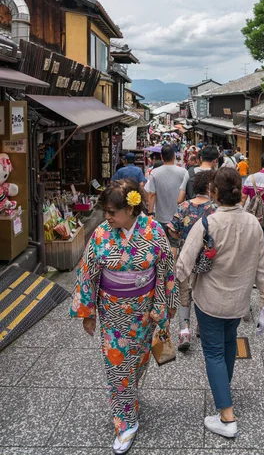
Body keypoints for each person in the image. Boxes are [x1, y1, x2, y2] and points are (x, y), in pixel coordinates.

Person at [70, 179, 178, 454]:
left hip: (145, 312)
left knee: (140, 359)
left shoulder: (154, 231)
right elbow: (88, 272)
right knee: (117, 366)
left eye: (111, 212)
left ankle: (129, 393)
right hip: (113, 314)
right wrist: (87, 312)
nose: (106, 217)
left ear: (131, 210)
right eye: (106, 211)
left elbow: (166, 269)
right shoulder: (102, 235)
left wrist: (167, 305)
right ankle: (126, 422)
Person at [176, 168, 264, 438]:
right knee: (229, 344)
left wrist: (165, 292)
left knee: (214, 352)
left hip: (210, 300)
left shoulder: (208, 224)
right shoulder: (253, 223)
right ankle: (223, 389)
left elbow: (183, 264)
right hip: (239, 300)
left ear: (213, 193)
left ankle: (227, 417)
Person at [168, 170, 217, 351]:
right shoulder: (214, 209)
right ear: (208, 187)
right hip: (207, 259)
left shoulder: (184, 206)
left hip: (186, 257)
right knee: (203, 293)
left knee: (184, 294)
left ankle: (184, 332)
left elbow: (172, 229)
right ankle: (200, 326)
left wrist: (181, 236)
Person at [145, 144, 187, 240]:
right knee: (175, 244)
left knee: (161, 243)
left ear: (161, 157)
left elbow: (151, 194)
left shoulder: (154, 172)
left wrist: (150, 213)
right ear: (174, 156)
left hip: (161, 217)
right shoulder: (183, 172)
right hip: (178, 216)